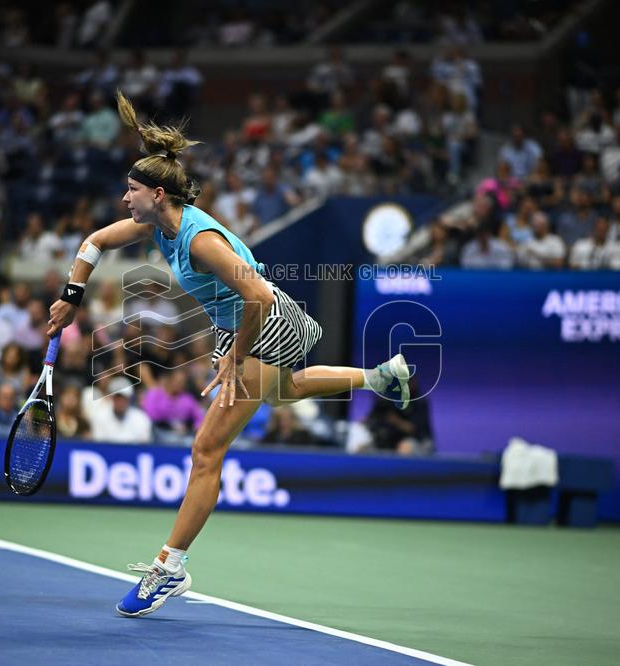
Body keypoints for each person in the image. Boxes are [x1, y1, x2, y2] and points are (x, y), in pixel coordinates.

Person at [46, 91, 412, 618]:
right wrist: (71, 296)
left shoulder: (199, 239)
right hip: (244, 324)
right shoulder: (158, 224)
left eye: (130, 191)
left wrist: (233, 358)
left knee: (205, 451)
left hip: (262, 321)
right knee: (284, 392)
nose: (124, 199)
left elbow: (259, 296)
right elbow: (93, 242)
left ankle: (168, 567)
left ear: (156, 193)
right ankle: (380, 376)